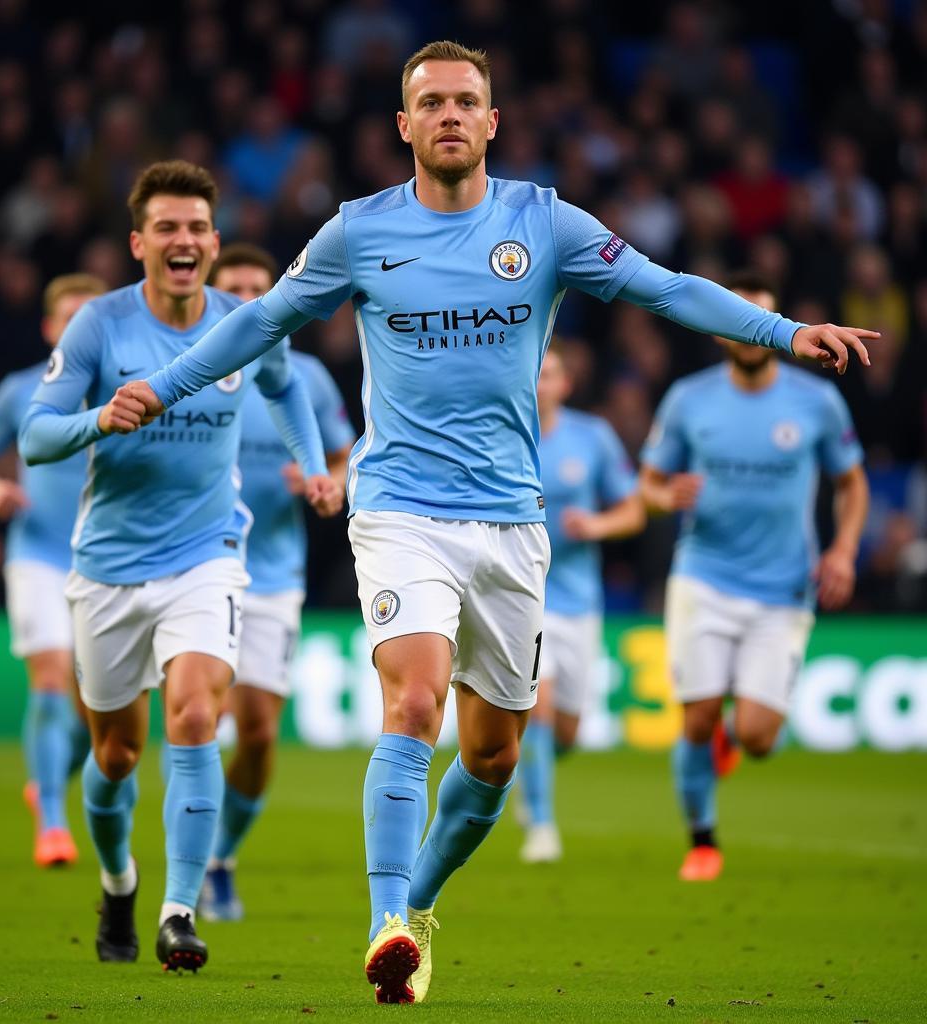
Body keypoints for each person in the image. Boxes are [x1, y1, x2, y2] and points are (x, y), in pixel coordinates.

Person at [114, 42, 875, 1003]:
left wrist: (782, 331)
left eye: (465, 101)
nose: (447, 115)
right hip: (398, 510)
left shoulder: (543, 223)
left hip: (511, 523)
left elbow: (666, 287)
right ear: (403, 126)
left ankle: (421, 905)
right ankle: (386, 917)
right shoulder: (357, 232)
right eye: (428, 102)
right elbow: (260, 321)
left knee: (492, 756)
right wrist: (166, 382)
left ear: (491, 121)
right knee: (413, 704)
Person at [18, 161, 341, 973]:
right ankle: (119, 879)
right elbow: (35, 438)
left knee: (197, 718)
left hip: (208, 558)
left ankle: (177, 911)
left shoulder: (243, 322)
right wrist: (98, 417)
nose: (184, 240)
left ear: (214, 239)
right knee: (116, 755)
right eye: (167, 227)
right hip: (108, 569)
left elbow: (288, 385)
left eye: (197, 226)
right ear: (139, 243)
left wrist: (312, 463)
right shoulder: (99, 326)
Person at [639, 270, 869, 882]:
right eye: (736, 319)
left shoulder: (815, 401)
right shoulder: (689, 399)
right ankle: (703, 841)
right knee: (696, 718)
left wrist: (843, 550)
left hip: (783, 586)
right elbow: (650, 486)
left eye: (758, 318)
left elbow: (851, 483)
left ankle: (735, 740)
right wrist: (667, 496)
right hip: (704, 576)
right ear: (721, 332)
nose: (747, 333)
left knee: (760, 737)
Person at [198, 243, 355, 921]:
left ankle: (221, 858)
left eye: (257, 289)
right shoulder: (193, 369)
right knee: (202, 713)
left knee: (259, 730)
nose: (245, 298)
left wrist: (327, 485)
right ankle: (182, 865)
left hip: (275, 574)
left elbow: (346, 458)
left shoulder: (308, 378)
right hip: (197, 565)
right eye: (232, 287)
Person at [0, 272, 106, 869]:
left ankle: (47, 779)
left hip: (108, 560)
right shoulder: (21, 391)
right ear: (49, 328)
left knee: (96, 712)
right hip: (39, 553)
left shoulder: (130, 390)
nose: (76, 328)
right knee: (48, 678)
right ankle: (51, 821)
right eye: (67, 317)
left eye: (88, 317)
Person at [518, 341, 645, 864]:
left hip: (578, 602)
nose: (541, 382)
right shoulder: (501, 434)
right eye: (535, 372)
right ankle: (542, 825)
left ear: (566, 384)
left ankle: (536, 770)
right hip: (520, 595)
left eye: (550, 374)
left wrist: (596, 525)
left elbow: (634, 510)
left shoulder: (592, 438)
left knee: (565, 730)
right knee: (538, 708)